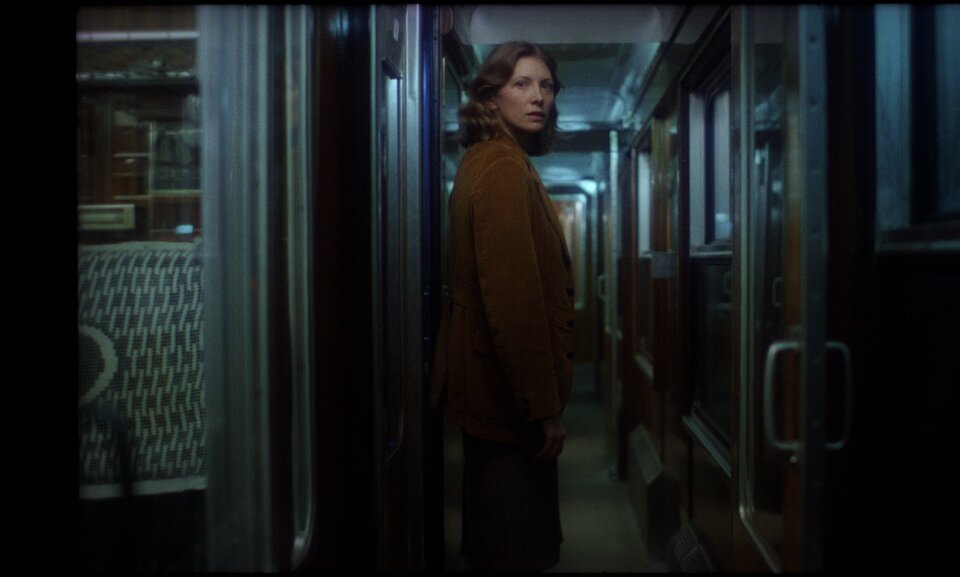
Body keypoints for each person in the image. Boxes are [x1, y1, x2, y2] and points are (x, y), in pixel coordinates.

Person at [430, 41, 575, 572]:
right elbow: (514, 303)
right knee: (515, 547)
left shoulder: (491, 160)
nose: (539, 97)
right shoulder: (501, 169)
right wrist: (543, 407)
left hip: (493, 392)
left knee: (502, 541)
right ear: (491, 99)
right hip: (506, 400)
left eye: (547, 86)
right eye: (522, 84)